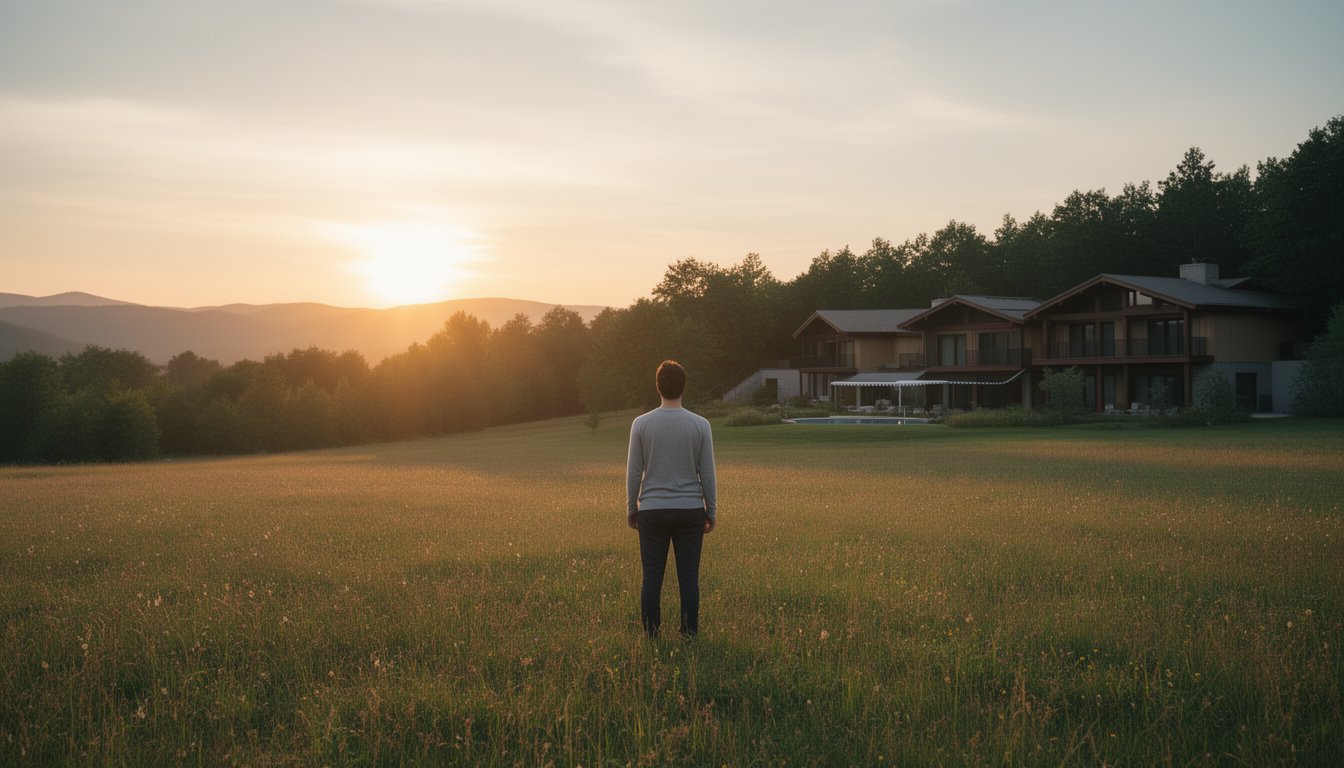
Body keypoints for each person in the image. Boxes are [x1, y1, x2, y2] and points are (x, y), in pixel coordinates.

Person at [626, 359, 717, 639]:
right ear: (684, 387)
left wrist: (632, 508)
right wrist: (710, 510)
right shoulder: (701, 425)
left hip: (652, 511)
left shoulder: (641, 424)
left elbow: (634, 471)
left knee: (651, 577)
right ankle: (689, 634)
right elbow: (708, 473)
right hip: (690, 511)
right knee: (688, 578)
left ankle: (652, 635)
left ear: (658, 387)